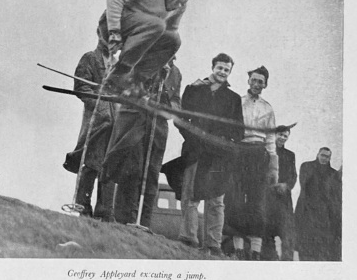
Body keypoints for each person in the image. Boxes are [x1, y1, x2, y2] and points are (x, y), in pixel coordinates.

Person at [98, 0, 204, 96]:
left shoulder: (180, 5)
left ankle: (135, 82)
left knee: (174, 40)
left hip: (140, 37)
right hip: (113, 26)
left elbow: (170, 31)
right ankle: (118, 76)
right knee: (157, 24)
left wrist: (164, 60)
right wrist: (114, 31)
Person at [176, 53, 244, 254]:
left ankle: (213, 244)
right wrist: (192, 137)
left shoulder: (233, 98)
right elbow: (181, 120)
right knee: (190, 195)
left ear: (230, 72)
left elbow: (239, 131)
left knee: (216, 201)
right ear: (213, 67)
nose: (222, 72)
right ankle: (188, 238)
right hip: (195, 151)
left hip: (219, 157)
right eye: (220, 68)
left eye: (226, 69)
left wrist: (223, 142)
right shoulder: (194, 89)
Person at [103, 58, 182, 227]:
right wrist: (143, 97)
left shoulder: (175, 73)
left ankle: (144, 222)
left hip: (158, 127)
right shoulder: (145, 60)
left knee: (152, 173)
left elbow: (176, 101)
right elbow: (125, 86)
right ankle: (125, 219)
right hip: (136, 123)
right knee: (132, 170)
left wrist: (168, 107)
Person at [224, 66, 279, 259]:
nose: (256, 84)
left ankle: (255, 251)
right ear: (248, 81)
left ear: (265, 85)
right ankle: (238, 249)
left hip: (259, 155)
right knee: (236, 200)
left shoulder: (268, 108)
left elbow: (271, 139)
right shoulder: (237, 102)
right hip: (240, 152)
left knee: (257, 202)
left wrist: (273, 167)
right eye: (254, 80)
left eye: (260, 82)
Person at [63, 34, 116, 220]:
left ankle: (105, 211)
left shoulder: (119, 65)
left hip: (115, 122)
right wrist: (98, 103)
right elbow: (81, 87)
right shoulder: (90, 58)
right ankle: (83, 206)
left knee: (109, 166)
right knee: (91, 162)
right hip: (96, 121)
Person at [295, 148, 342, 261]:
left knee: (321, 246)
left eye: (327, 157)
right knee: (305, 245)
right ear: (317, 154)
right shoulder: (306, 166)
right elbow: (304, 184)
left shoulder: (333, 173)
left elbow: (333, 194)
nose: (324, 158)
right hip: (307, 211)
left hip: (323, 214)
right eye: (323, 155)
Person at [262, 125, 298, 260]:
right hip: (267, 197)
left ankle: (287, 262)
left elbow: (293, 176)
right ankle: (269, 259)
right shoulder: (266, 152)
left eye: (285, 136)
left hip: (284, 199)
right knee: (267, 231)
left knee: (287, 232)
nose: (283, 138)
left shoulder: (290, 155)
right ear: (274, 135)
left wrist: (286, 185)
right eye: (280, 135)